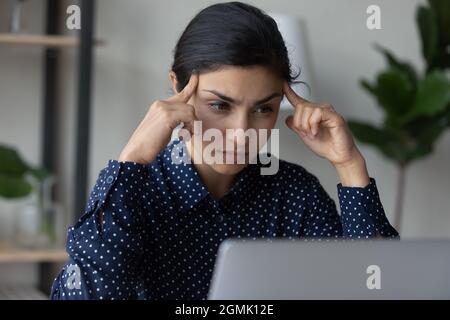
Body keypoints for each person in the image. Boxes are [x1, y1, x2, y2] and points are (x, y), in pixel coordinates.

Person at [51, 1, 398, 300]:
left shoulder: (295, 194)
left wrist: (350, 164)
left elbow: (376, 289)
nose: (240, 134)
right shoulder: (134, 192)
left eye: (264, 109)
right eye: (219, 105)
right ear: (177, 88)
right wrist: (132, 159)